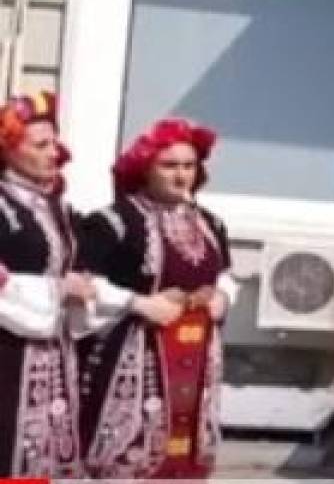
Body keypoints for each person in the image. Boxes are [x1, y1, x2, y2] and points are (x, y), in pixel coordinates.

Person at [77, 118, 237, 479]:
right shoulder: (114, 221)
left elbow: (226, 274)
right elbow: (83, 282)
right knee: (130, 453)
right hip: (133, 352)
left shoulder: (210, 223)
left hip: (197, 354)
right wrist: (138, 303)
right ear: (145, 168)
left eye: (189, 166)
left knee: (185, 447)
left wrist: (223, 297)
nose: (181, 176)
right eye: (169, 166)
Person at [0, 92, 92, 477]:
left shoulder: (56, 207)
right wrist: (56, 289)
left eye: (54, 143)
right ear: (8, 149)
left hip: (51, 349)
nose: (54, 153)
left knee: (40, 454)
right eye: (40, 145)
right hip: (7, 350)